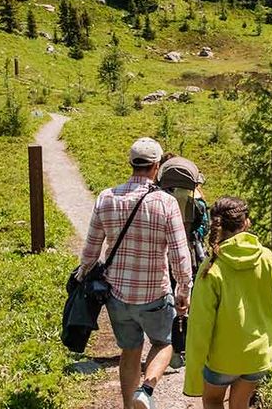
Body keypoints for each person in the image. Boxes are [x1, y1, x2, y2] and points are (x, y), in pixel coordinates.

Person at [77, 137, 192, 409]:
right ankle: (147, 390)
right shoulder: (165, 203)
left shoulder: (106, 198)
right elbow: (179, 253)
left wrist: (82, 275)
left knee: (129, 350)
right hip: (154, 292)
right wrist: (183, 289)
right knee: (164, 344)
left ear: (131, 163)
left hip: (116, 294)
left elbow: (91, 250)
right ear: (156, 166)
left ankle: (129, 406)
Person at [183, 197, 272, 409]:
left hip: (221, 359)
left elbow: (199, 325)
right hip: (258, 355)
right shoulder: (267, 258)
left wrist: (194, 376)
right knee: (240, 404)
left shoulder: (211, 266)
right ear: (246, 223)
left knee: (213, 400)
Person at [158, 155, 211, 370]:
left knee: (166, 296)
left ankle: (167, 345)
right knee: (186, 299)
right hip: (187, 254)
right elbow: (204, 227)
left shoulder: (159, 197)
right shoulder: (196, 201)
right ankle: (183, 345)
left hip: (162, 254)